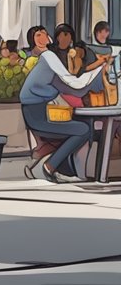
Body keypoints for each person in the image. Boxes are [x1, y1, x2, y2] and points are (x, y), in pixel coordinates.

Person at [21, 24, 111, 184]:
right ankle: (49, 166)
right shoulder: (49, 57)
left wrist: (92, 78)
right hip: (37, 114)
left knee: (82, 127)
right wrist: (96, 73)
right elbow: (73, 84)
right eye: (38, 36)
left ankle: (62, 168)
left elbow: (72, 88)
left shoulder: (47, 60)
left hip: (36, 112)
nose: (42, 38)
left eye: (43, 33)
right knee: (83, 129)